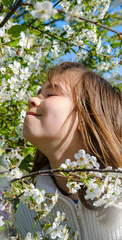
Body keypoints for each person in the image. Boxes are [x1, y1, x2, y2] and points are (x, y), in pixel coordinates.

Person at [15, 62, 122, 239]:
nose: (32, 100)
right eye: (38, 94)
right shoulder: (28, 210)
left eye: (50, 94)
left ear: (87, 118)